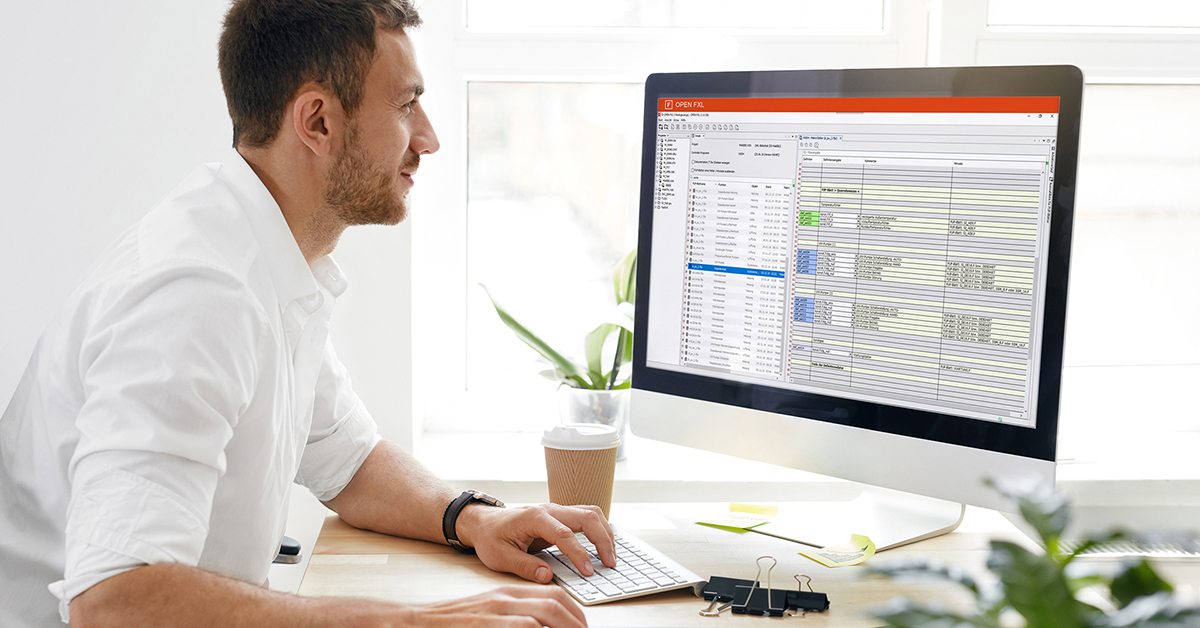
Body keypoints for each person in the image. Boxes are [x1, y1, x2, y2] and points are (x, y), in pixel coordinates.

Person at [0, 1, 615, 626]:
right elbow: (111, 600)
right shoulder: (197, 295)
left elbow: (349, 461)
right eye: (406, 104)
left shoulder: (267, 259)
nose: (428, 138)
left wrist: (473, 518)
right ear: (318, 122)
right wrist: (416, 622)